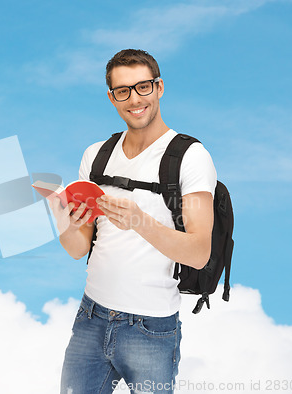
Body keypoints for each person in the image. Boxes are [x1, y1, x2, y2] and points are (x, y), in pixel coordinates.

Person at [51, 49, 217, 394]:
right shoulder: (95, 156)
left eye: (143, 87)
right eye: (123, 91)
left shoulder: (190, 157)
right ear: (112, 98)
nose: (134, 99)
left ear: (158, 87)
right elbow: (77, 248)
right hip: (90, 318)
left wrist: (140, 221)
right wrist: (62, 220)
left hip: (152, 328)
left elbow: (200, 252)